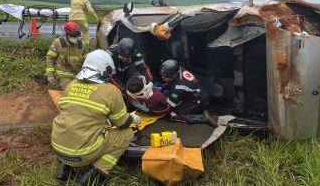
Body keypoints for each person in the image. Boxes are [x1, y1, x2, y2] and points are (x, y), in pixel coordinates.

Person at [51, 49, 141, 186]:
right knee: (127, 134)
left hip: (58, 147)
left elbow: (77, 113)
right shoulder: (111, 91)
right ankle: (93, 177)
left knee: (74, 124)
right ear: (106, 70)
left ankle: (64, 171)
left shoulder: (71, 85)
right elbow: (122, 123)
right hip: (82, 152)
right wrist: (133, 118)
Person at [159, 59, 217, 127]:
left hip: (199, 100)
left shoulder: (178, 87)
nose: (163, 78)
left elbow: (168, 106)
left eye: (165, 76)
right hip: (195, 93)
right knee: (166, 91)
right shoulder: (179, 68)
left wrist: (152, 110)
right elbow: (170, 83)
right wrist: (161, 88)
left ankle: (204, 118)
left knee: (172, 116)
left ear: (173, 75)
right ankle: (203, 110)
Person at [45, 21, 87, 90]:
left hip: (77, 75)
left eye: (76, 36)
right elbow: (50, 58)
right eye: (73, 36)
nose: (75, 38)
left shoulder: (81, 44)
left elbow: (87, 59)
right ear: (66, 34)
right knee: (69, 90)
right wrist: (50, 74)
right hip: (62, 75)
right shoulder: (58, 43)